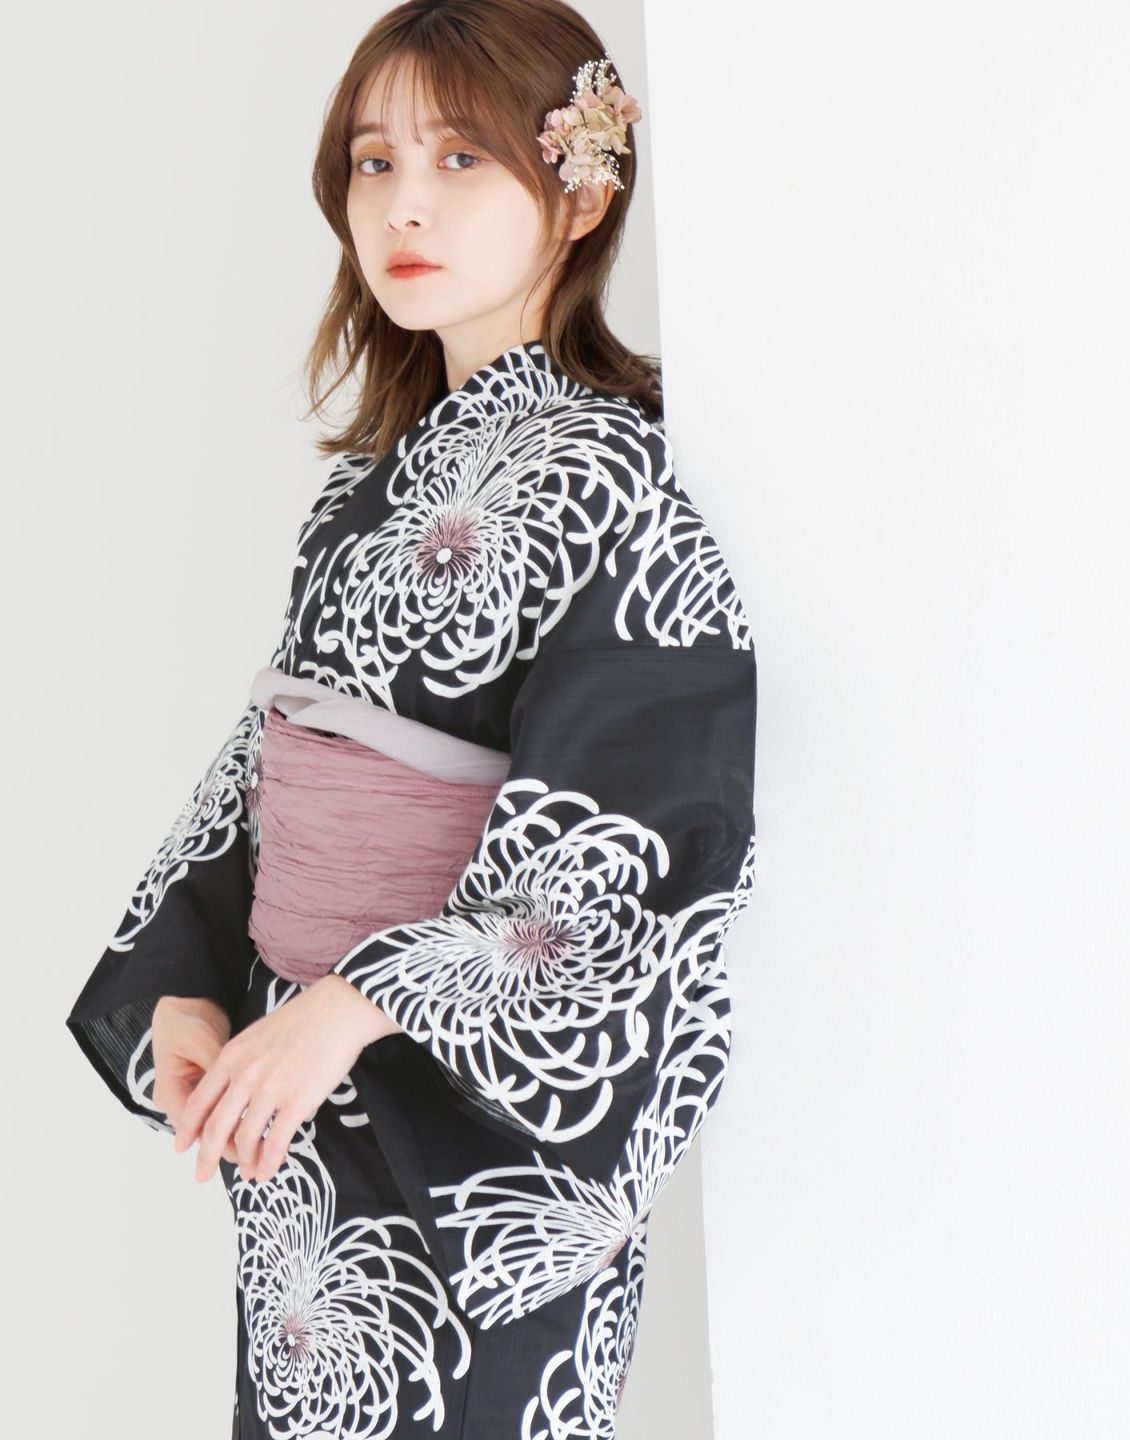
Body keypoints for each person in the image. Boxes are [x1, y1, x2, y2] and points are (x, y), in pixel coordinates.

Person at [65, 2, 758, 1436]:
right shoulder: (358, 493)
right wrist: (184, 983)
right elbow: (268, 772)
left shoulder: (616, 481)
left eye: (460, 157)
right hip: (301, 1107)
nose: (405, 205)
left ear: (581, 193)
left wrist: (363, 999)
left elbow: (632, 838)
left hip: (461, 1141)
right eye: (374, 163)